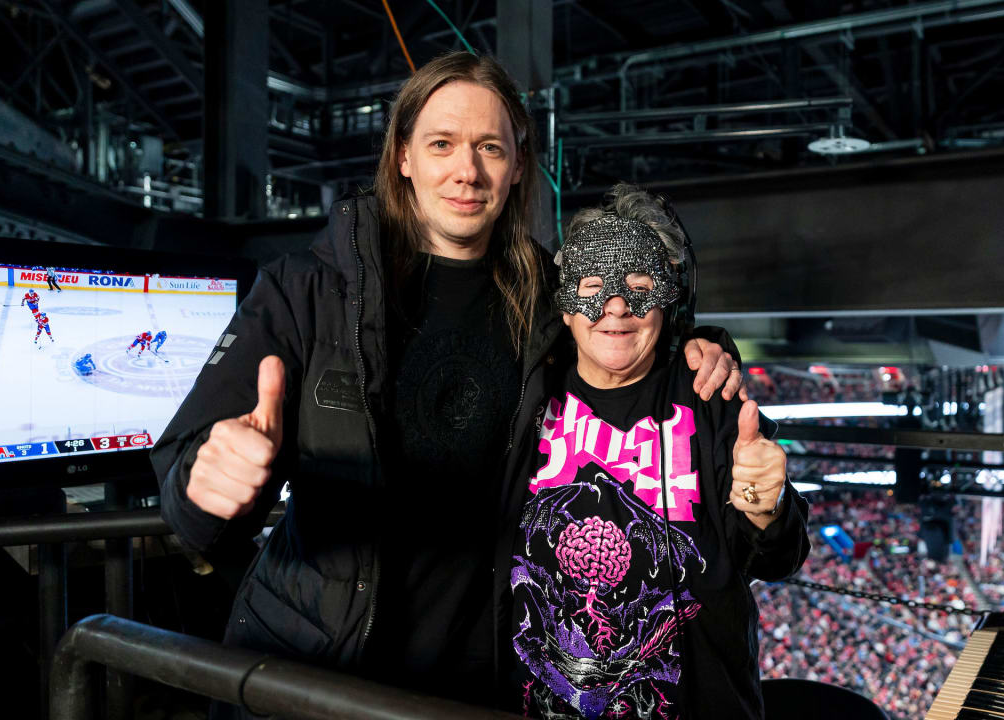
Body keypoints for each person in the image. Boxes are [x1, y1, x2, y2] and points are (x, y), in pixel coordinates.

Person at [151, 51, 743, 719]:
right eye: (442, 144)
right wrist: (207, 483)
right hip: (314, 669)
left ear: (517, 165)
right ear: (402, 154)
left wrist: (701, 346)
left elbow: (628, 334)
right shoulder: (306, 289)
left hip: (480, 679)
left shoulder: (547, 299)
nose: (467, 171)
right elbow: (187, 492)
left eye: (490, 147)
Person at [503, 184, 809, 719]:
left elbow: (779, 557)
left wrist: (766, 507)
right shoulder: (525, 398)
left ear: (671, 298)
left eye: (639, 286)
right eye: (594, 285)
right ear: (565, 302)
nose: (617, 307)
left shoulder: (712, 398)